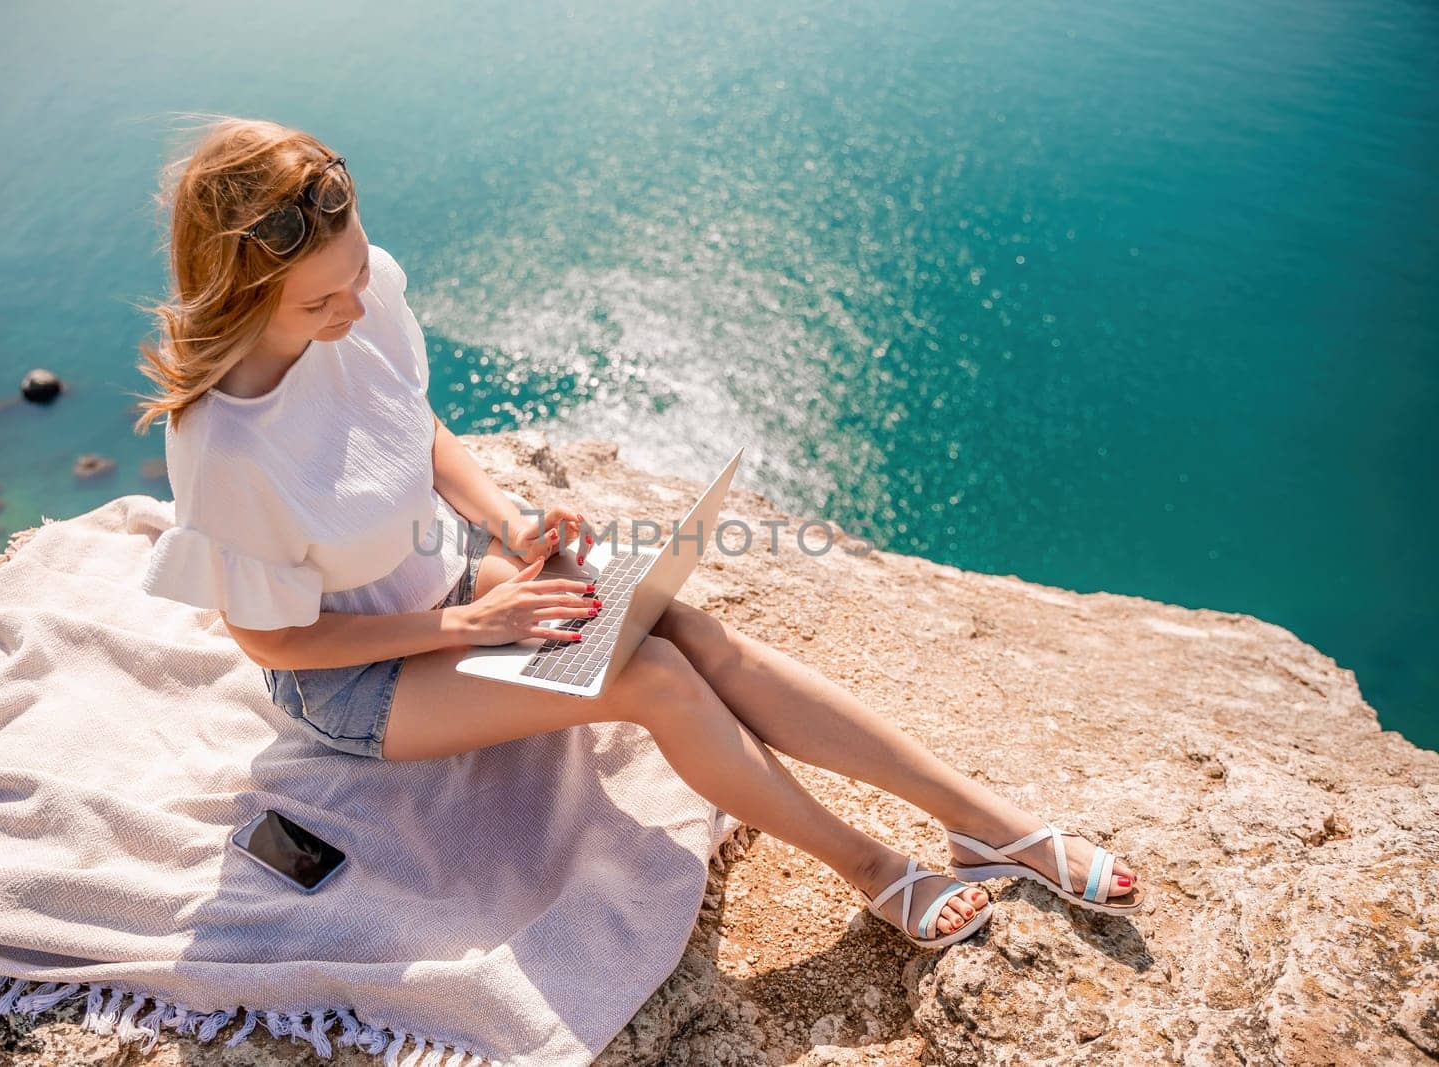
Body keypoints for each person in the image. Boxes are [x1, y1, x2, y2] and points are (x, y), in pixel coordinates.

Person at [131, 116, 1144, 952]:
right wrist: (473, 626)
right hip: (360, 681)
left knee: (689, 630)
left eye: (356, 273)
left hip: (453, 583)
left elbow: (414, 424)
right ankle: (875, 869)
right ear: (243, 292)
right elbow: (273, 644)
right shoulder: (223, 447)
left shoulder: (357, 298)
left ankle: (987, 824)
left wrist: (510, 522)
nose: (358, 299)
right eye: (323, 297)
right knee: (648, 675)